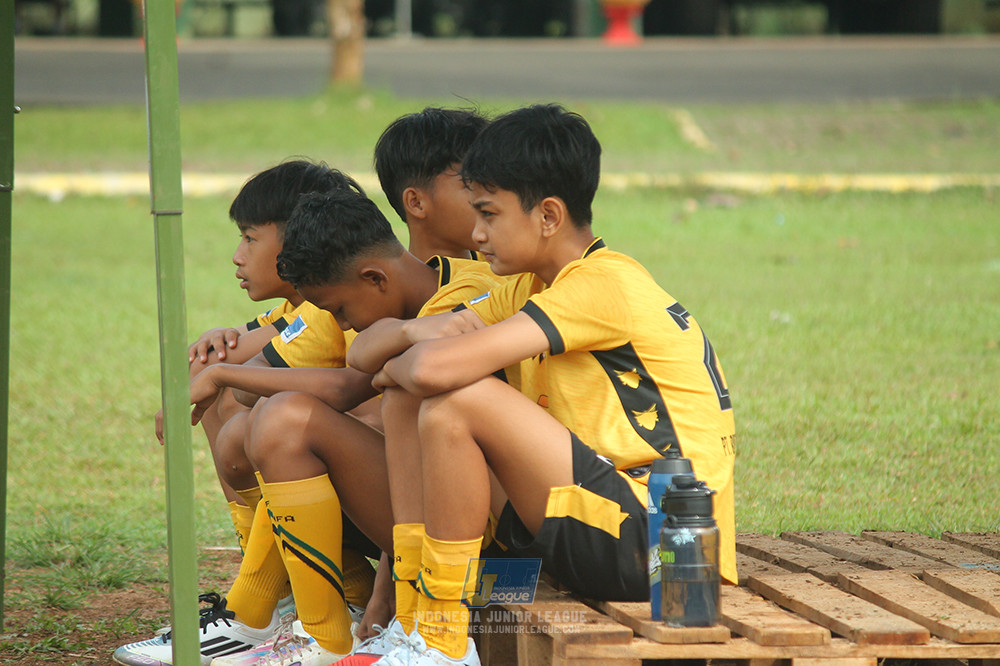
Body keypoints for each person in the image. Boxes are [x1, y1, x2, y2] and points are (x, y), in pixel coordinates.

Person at [356, 104, 737, 666]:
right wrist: (415, 338)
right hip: (593, 524)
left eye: (488, 213)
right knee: (412, 401)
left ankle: (442, 641)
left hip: (666, 552)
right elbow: (370, 360)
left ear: (549, 216)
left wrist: (424, 359)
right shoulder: (527, 284)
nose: (477, 234)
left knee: (453, 404)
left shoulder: (602, 284)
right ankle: (418, 624)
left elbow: (433, 371)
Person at [172, 189, 506, 666]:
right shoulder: (389, 292)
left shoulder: (462, 302)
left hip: (485, 539)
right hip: (429, 519)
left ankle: (337, 632)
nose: (340, 324)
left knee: (287, 419)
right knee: (281, 416)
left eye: (340, 312)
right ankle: (322, 632)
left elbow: (351, 388)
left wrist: (221, 373)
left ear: (374, 277)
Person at [115, 161, 380, 666]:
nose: (237, 257)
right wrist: (217, 356)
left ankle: (265, 606)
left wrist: (217, 374)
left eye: (250, 239)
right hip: (375, 494)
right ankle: (285, 596)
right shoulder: (307, 308)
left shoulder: (327, 306)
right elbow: (250, 350)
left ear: (301, 236)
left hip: (389, 502)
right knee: (235, 394)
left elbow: (255, 376)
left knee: (267, 414)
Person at [373, 107, 487, 262]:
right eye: (469, 184)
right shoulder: (405, 286)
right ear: (416, 203)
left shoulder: (514, 270)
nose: (491, 196)